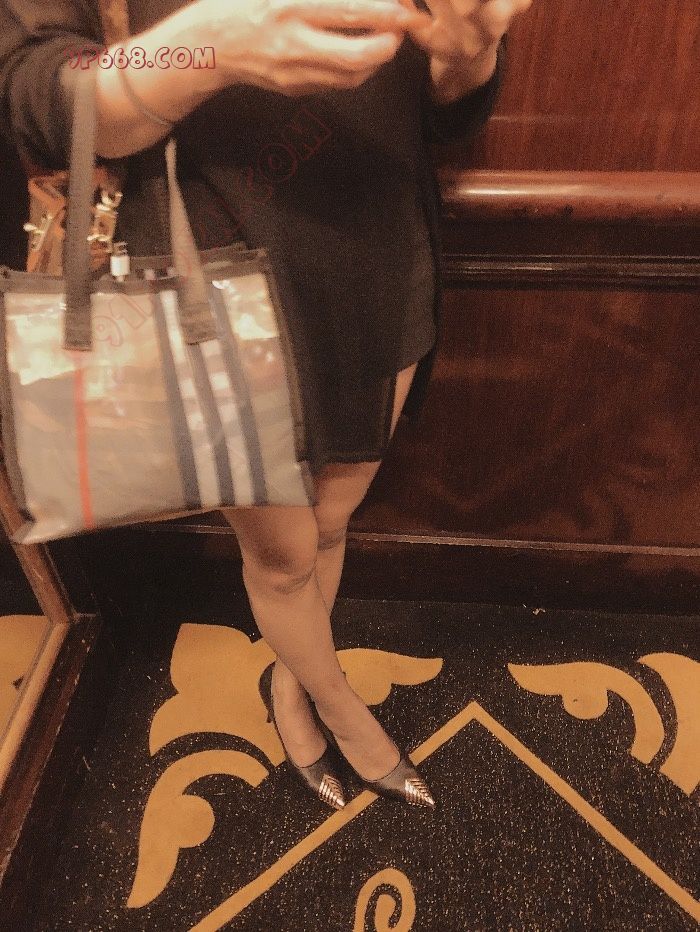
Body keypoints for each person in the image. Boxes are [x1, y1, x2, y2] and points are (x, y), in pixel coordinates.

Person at [0, 0, 531, 810]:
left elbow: (442, 110)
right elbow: (39, 93)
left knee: (331, 523)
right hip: (210, 286)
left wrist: (467, 56)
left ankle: (295, 674)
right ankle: (336, 703)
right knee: (283, 558)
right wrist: (208, 49)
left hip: (379, 255)